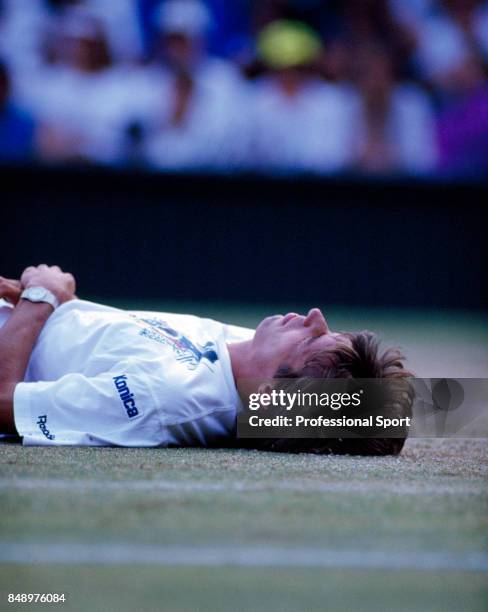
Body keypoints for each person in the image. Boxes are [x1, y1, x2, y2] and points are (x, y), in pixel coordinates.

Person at [0, 265, 413, 455]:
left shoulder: (168, 395)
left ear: (270, 395)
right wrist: (63, 303)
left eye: (311, 340)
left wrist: (41, 299)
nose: (314, 317)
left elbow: (5, 404)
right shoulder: (245, 352)